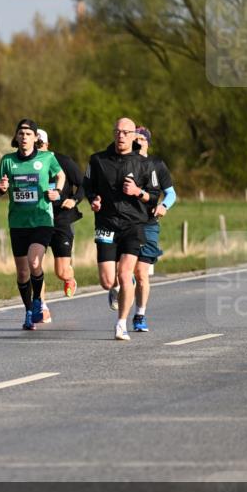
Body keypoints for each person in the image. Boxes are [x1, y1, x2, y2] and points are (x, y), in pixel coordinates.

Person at [83, 117, 162, 340]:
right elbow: (87, 186)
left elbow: (154, 196)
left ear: (133, 135)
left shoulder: (145, 164)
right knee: (108, 281)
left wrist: (138, 191)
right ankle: (119, 288)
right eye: (117, 132)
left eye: (125, 132)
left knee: (126, 274)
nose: (121, 136)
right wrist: (93, 200)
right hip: (106, 224)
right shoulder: (97, 160)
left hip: (133, 226)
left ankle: (121, 324)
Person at [0, 118, 65, 330]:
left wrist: (57, 192)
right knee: (23, 273)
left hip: (42, 219)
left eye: (28, 134)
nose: (24, 137)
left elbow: (60, 175)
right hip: (18, 222)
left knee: (35, 262)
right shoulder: (7, 161)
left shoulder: (47, 158)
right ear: (16, 137)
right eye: (21, 134)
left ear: (35, 138)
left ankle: (37, 302)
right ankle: (27, 311)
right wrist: (2, 187)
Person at [35, 128, 84, 324]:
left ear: (47, 144)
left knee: (61, 271)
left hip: (61, 218)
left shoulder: (63, 161)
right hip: (37, 218)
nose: (38, 149)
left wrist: (74, 200)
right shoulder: (28, 164)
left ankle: (69, 278)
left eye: (40, 145)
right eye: (34, 145)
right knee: (35, 265)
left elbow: (83, 184)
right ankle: (42, 308)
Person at [131, 126, 177, 332]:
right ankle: (118, 286)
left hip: (149, 223)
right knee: (122, 272)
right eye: (135, 138)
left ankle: (140, 314)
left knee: (141, 273)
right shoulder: (122, 162)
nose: (138, 141)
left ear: (148, 142)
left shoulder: (157, 164)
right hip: (125, 222)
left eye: (142, 138)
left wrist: (164, 206)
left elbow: (171, 193)